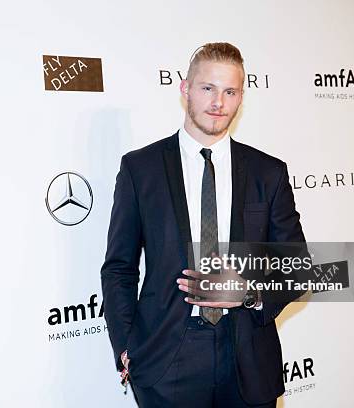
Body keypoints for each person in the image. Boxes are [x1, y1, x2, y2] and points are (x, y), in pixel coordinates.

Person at [101, 42, 305, 408]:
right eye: (208, 88)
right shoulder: (140, 169)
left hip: (247, 354)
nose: (218, 103)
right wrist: (126, 345)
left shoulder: (268, 172)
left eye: (230, 91)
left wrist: (248, 293)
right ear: (185, 89)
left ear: (242, 96)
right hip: (167, 356)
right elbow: (119, 268)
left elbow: (297, 268)